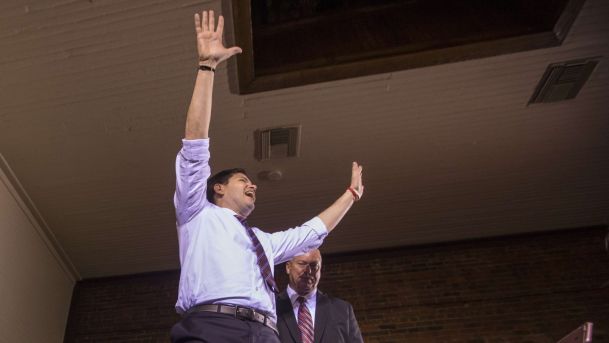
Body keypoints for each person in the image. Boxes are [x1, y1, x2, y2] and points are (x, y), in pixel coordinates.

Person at [169, 10, 364, 343]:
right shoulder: (196, 212)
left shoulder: (264, 242)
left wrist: (351, 195)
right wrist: (207, 68)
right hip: (214, 327)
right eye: (243, 180)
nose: (252, 185)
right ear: (218, 188)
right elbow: (195, 143)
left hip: (265, 333)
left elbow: (310, 232)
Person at [276, 249, 364, 343]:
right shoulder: (271, 308)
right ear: (288, 267)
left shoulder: (342, 309)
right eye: (302, 263)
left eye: (314, 266)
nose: (308, 271)